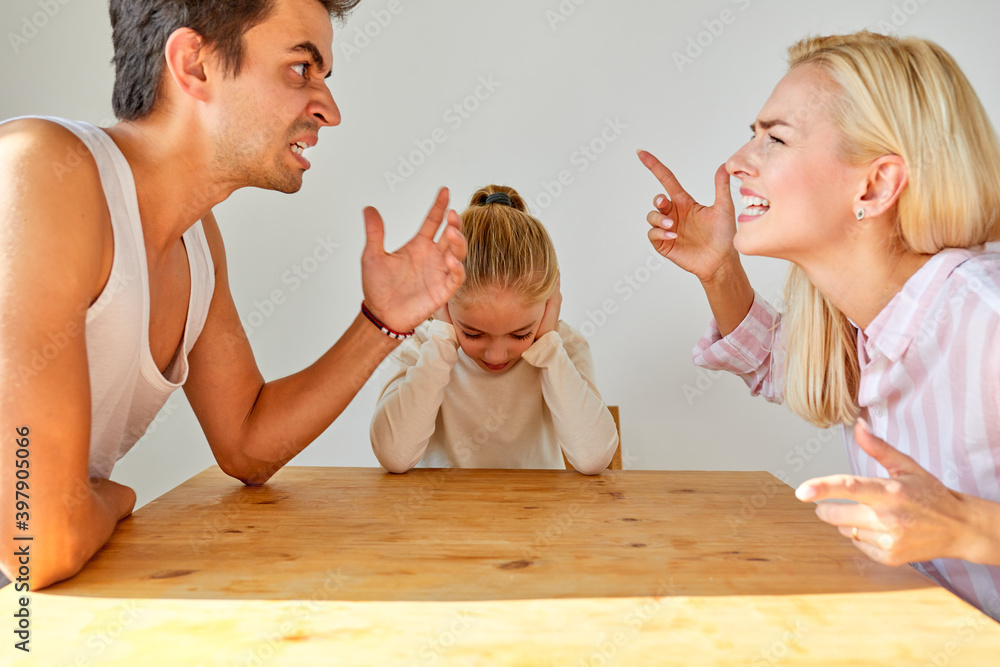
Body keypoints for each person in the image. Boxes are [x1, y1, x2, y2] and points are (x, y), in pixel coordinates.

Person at [0, 0, 467, 590]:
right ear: (194, 65)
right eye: (301, 68)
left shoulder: (195, 238)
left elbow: (247, 443)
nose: (329, 109)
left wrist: (381, 322)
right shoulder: (39, 171)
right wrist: (115, 500)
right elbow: (34, 541)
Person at [637, 31, 1000, 620]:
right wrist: (719, 270)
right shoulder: (862, 320)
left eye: (775, 139)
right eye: (752, 134)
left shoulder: (987, 321)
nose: (733, 164)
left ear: (875, 185)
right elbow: (785, 365)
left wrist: (965, 525)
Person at [370, 186, 619, 474]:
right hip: (435, 516)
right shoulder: (417, 345)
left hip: (536, 515)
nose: (497, 354)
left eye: (520, 334)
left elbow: (594, 459)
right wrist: (442, 341)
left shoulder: (563, 347)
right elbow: (393, 456)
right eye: (473, 333)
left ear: (550, 301)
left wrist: (550, 349)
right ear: (443, 301)